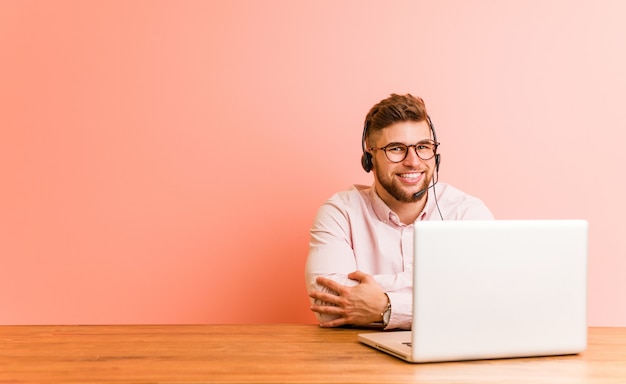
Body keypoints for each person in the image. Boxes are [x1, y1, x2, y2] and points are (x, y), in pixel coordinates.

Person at [305, 93, 493, 330]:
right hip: (358, 360)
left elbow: (485, 303)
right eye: (396, 149)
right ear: (369, 158)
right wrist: (445, 293)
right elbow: (328, 307)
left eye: (423, 147)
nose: (413, 162)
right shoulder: (339, 213)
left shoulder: (466, 213)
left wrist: (386, 306)